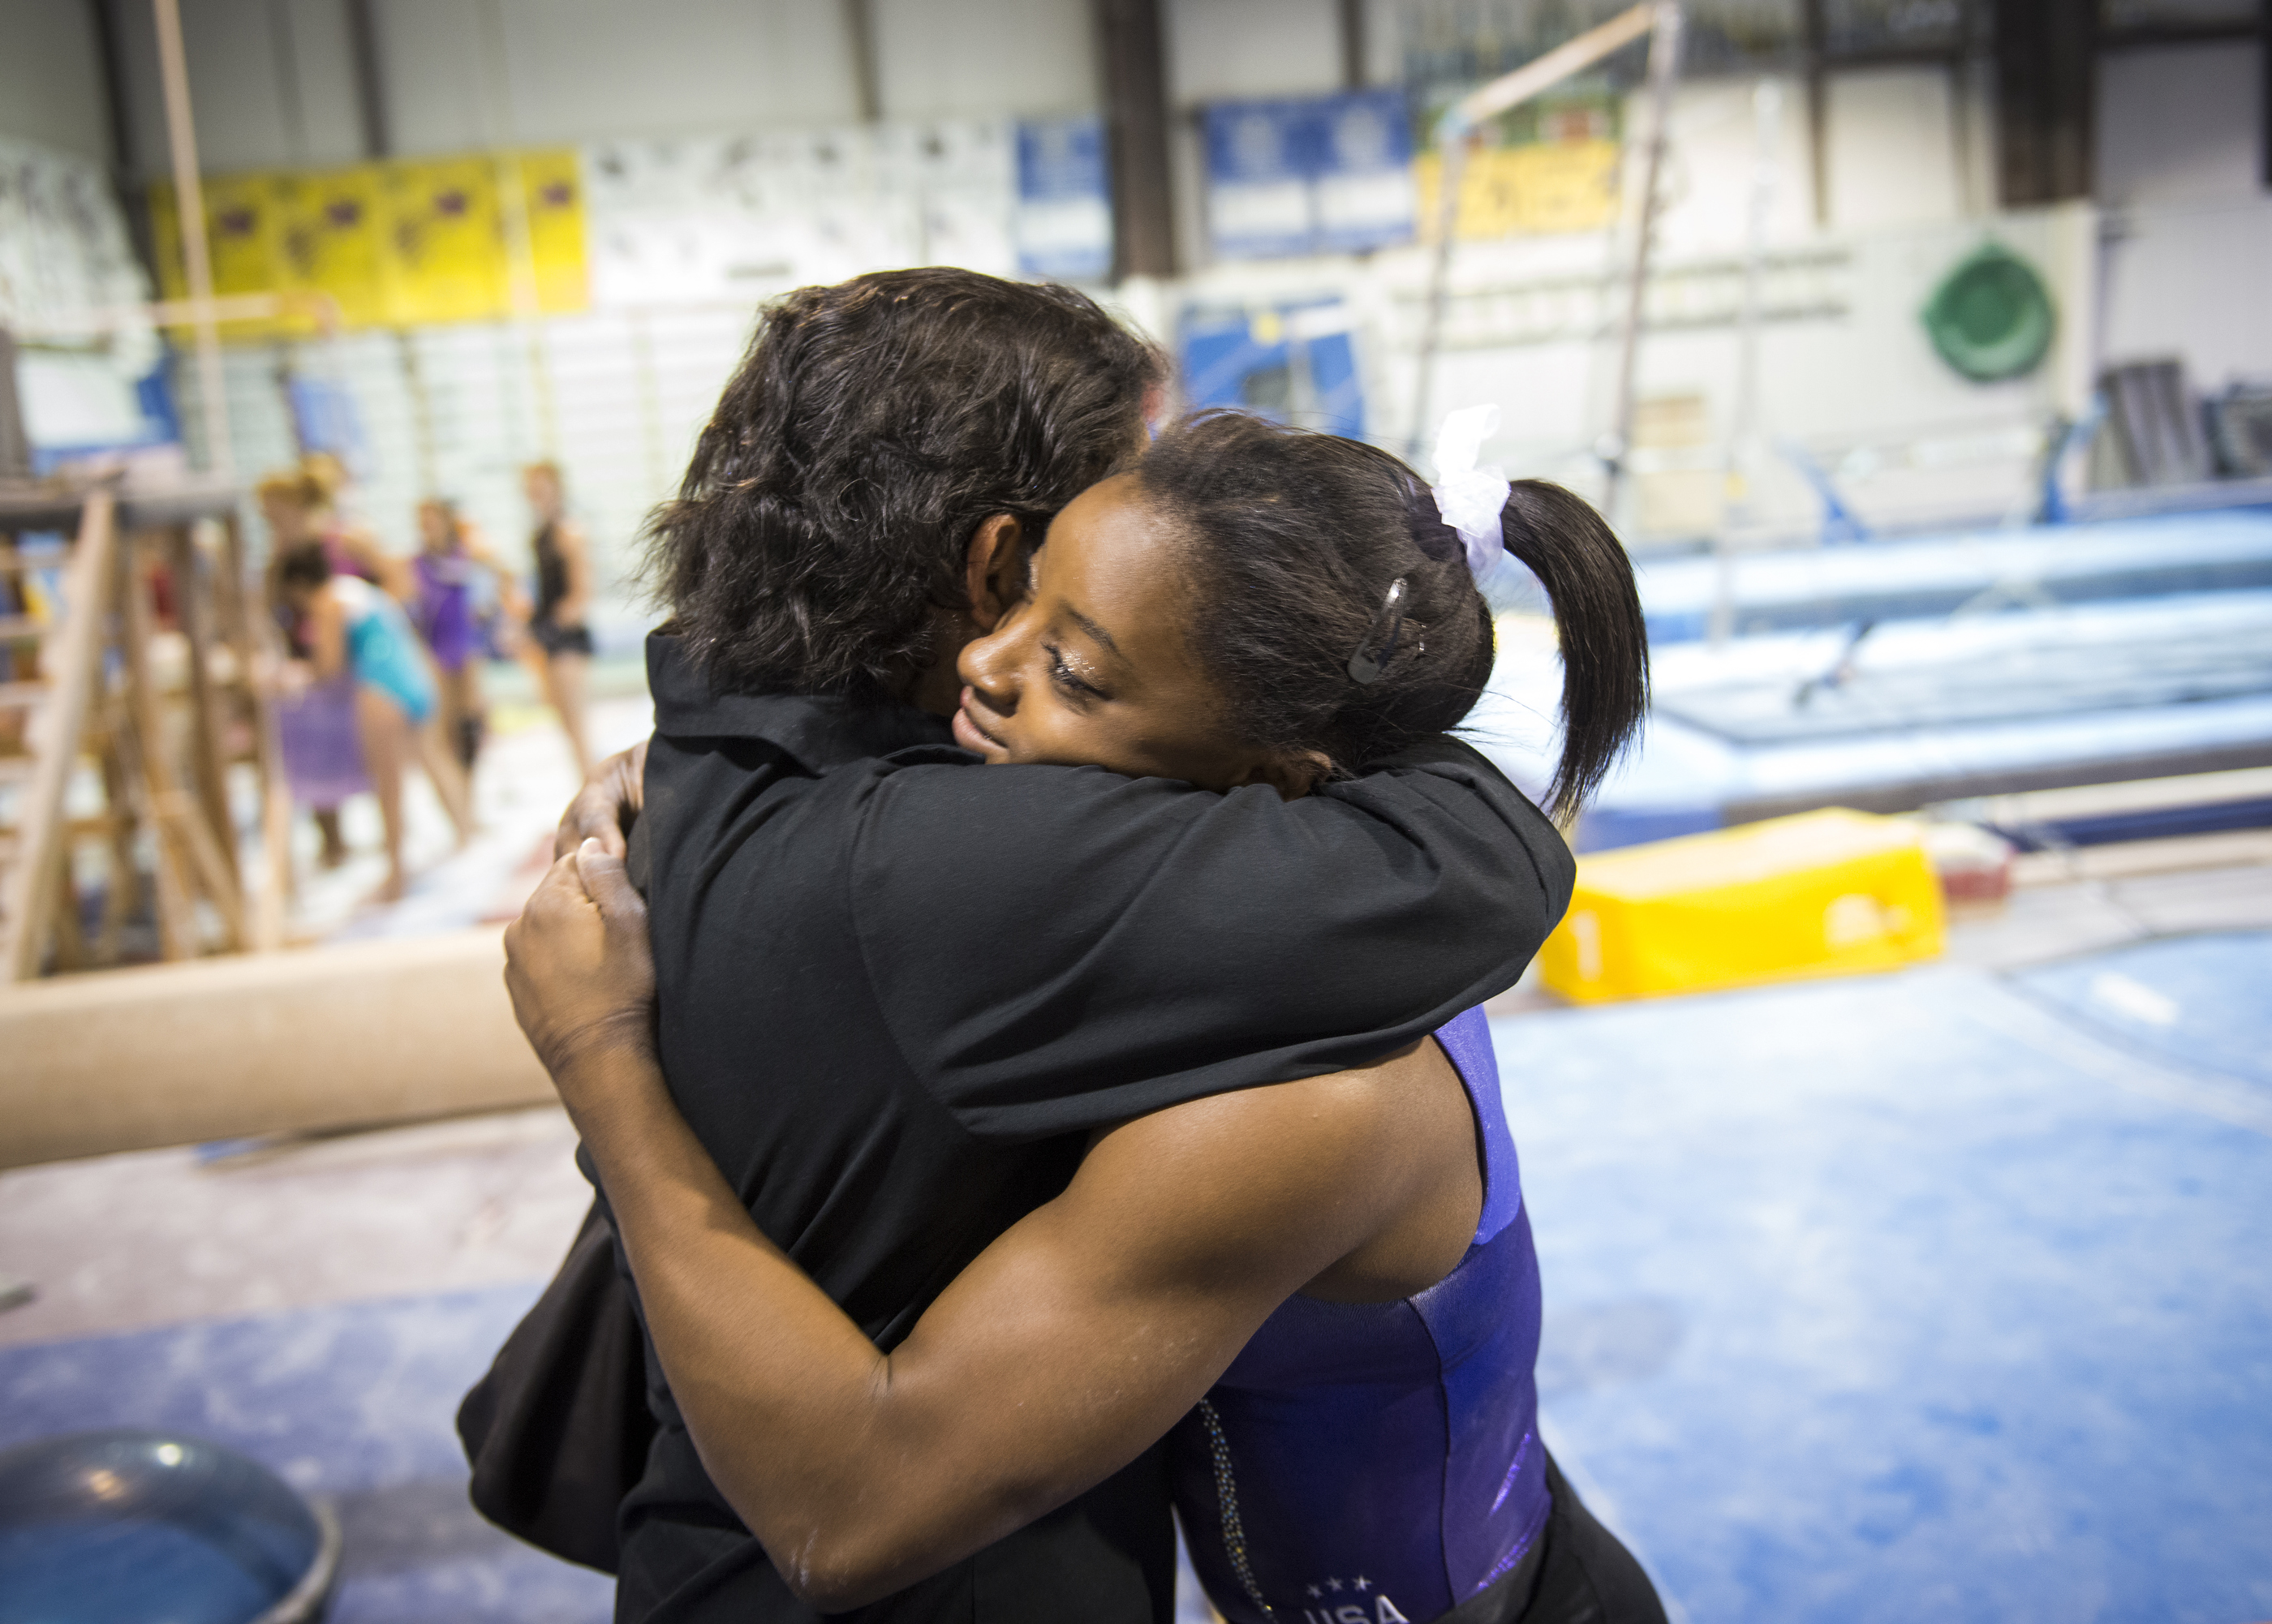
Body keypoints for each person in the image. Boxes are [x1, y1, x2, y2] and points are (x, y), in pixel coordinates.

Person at [488, 271, 1594, 1624]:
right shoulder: (970, 868)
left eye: (1081, 658)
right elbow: (1487, 851)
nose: (998, 669)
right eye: (1050, 598)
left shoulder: (712, 754)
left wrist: (609, 1053)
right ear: (994, 562)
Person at [276, 544, 473, 903]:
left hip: (381, 690)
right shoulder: (357, 589)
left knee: (389, 787)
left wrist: (291, 676)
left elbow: (329, 669)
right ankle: (465, 835)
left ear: (298, 585)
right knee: (433, 761)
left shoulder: (327, 603)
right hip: (414, 680)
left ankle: (397, 874)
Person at [259, 468, 375, 869]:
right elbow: (274, 608)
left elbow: (384, 579)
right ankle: (333, 842)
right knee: (311, 753)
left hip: (354, 655)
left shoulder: (339, 541)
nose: (267, 519)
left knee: (368, 752)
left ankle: (387, 843)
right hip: (307, 658)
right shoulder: (277, 558)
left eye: (272, 511)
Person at [411, 496, 517, 771]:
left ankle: (470, 782)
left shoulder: (468, 553)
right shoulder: (418, 562)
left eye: (433, 519)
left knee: (471, 721)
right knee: (446, 724)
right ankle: (458, 788)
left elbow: (506, 574)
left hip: (467, 642)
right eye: (423, 521)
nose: (428, 526)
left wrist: (495, 612)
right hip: (436, 643)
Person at [523, 460, 595, 772]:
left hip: (566, 636)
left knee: (577, 723)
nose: (535, 492)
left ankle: (593, 788)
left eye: (541, 485)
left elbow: (581, 593)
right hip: (546, 633)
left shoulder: (570, 531)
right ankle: (585, 782)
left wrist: (553, 626)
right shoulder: (539, 534)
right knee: (562, 720)